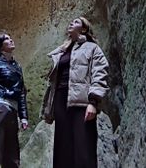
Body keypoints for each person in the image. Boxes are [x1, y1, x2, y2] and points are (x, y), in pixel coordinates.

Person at [41, 17, 109, 168]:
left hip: (82, 102)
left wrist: (93, 102)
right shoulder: (62, 50)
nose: (71, 23)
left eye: (76, 22)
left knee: (83, 146)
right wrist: (49, 107)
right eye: (71, 21)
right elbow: (53, 82)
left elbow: (100, 73)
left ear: (84, 29)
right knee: (62, 147)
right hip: (61, 100)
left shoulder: (92, 48)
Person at [0, 33, 29, 168]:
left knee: (12, 156)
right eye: (7, 39)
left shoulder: (17, 66)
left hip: (12, 111)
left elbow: (21, 92)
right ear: (0, 45)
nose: (11, 40)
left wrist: (23, 116)